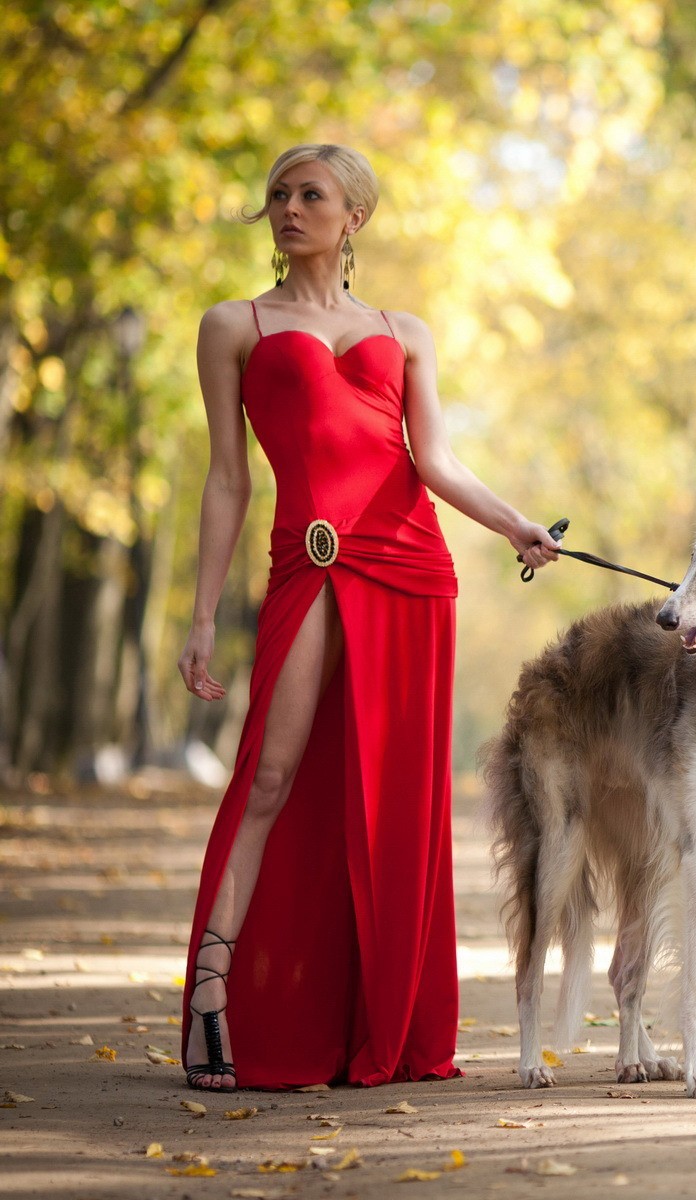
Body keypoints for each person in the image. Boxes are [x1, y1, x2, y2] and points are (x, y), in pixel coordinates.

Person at [176, 144, 560, 1090]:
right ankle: (211, 992)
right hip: (309, 562)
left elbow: (433, 459)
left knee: (395, 800)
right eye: (278, 194)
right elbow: (228, 480)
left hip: (411, 569)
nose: (289, 208)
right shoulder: (235, 325)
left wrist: (514, 523)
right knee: (271, 771)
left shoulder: (405, 329)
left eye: (312, 195)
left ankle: (380, 1020)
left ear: (354, 218)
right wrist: (197, 616)